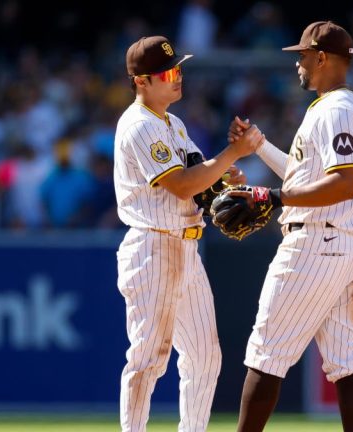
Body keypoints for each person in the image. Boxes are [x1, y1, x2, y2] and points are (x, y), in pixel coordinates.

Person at [228, 21, 353, 431]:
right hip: (343, 244)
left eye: (303, 55)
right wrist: (259, 146)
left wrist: (274, 198)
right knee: (347, 362)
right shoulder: (338, 106)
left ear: (322, 57)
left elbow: (345, 183)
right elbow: (304, 175)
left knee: (266, 354)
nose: (298, 63)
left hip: (317, 244)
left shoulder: (337, 108)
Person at [114, 35, 264, 432]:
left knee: (204, 355)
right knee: (149, 357)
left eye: (178, 69)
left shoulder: (173, 124)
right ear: (141, 81)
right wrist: (231, 155)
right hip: (153, 246)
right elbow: (181, 185)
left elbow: (202, 182)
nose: (176, 77)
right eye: (166, 73)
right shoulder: (139, 126)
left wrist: (226, 177)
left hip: (186, 248)